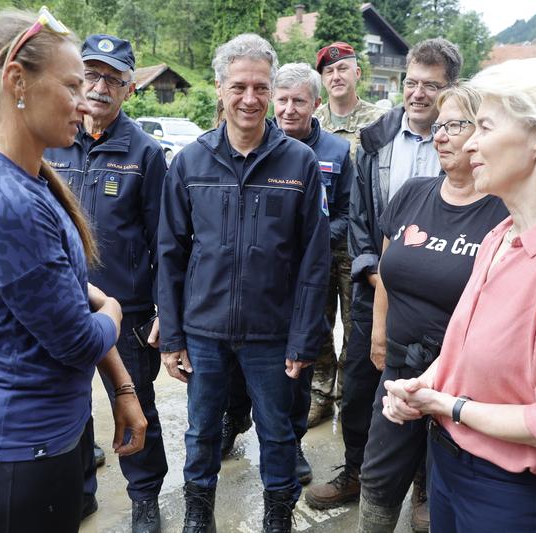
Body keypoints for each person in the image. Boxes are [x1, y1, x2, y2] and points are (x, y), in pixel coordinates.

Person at [382, 58, 536, 532]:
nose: (469, 142)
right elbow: (463, 351)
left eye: (485, 127)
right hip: (449, 465)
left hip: (510, 497)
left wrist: (447, 405)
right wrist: (421, 386)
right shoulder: (501, 234)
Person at [0, 8, 147, 532]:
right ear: (16, 81)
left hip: (49, 433)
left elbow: (69, 294)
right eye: (72, 84)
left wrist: (122, 387)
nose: (84, 100)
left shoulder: (28, 178)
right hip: (18, 449)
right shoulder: (5, 201)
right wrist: (115, 311)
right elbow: (76, 337)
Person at [157, 33, 330, 532]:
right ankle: (198, 512)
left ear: (272, 88)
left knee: (277, 434)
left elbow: (313, 263)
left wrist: (304, 339)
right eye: (239, 87)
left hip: (272, 335)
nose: (250, 99)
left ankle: (278, 516)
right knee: (202, 431)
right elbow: (170, 254)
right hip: (205, 332)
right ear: (219, 89)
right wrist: (172, 336)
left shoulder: (298, 163)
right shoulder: (190, 161)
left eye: (260, 87)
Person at [306, 39, 462, 525]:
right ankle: (357, 469)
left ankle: (422, 487)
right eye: (411, 82)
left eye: (431, 86)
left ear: (450, 89)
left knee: (429, 389)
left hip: (438, 295)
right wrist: (372, 267)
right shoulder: (377, 138)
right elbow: (360, 214)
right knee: (360, 384)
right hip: (373, 282)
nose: (418, 93)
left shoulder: (464, 140)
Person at [356, 85, 508, 531]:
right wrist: (379, 335)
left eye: (455, 125)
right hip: (401, 368)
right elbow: (386, 268)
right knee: (379, 474)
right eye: (439, 126)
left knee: (449, 482)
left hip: (466, 381)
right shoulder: (413, 192)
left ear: (484, 133)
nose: (440, 136)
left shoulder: (503, 211)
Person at [44, 33, 168, 531]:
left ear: (128, 88)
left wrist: (165, 312)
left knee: (135, 402)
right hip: (63, 302)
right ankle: (82, 492)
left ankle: (144, 497)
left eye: (112, 79)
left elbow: (166, 241)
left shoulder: (146, 153)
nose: (99, 87)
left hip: (128, 311)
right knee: (71, 403)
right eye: (91, 75)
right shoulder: (54, 137)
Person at [220, 63, 352, 487]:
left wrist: (307, 241)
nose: (289, 109)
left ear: (316, 104)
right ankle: (235, 417)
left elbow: (349, 214)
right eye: (283, 100)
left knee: (295, 367)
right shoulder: (249, 145)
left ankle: (290, 444)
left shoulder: (335, 152)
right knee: (239, 357)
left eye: (299, 101)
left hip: (308, 280)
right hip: (256, 279)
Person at [301, 42, 383, 429]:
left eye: (343, 69)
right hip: (317, 242)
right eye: (329, 72)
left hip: (358, 243)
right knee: (316, 323)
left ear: (357, 74)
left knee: (356, 326)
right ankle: (320, 391)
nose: (336, 76)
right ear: (322, 80)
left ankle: (349, 397)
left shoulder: (379, 122)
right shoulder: (309, 122)